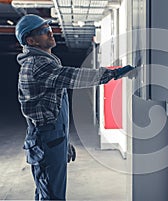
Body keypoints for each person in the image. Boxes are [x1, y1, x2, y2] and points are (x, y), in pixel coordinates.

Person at [15, 14, 135, 200]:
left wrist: (62, 142)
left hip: (52, 139)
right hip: (47, 142)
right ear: (31, 41)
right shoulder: (37, 65)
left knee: (48, 192)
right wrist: (112, 74)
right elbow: (74, 77)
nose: (50, 32)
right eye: (43, 31)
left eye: (48, 27)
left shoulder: (43, 62)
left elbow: (49, 111)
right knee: (51, 196)